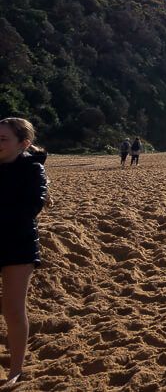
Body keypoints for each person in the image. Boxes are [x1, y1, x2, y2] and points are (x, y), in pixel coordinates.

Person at [0, 118, 49, 388]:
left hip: (18, 244)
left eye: (3, 139)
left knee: (13, 309)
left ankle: (15, 370)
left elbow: (30, 207)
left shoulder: (32, 169)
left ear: (24, 144)